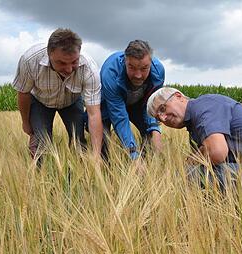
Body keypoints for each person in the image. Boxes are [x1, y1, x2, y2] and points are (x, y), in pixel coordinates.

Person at [147, 87, 242, 192]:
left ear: (178, 96)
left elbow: (216, 152)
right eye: (159, 119)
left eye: (163, 109)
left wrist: (187, 166)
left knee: (190, 176)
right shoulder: (194, 123)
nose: (164, 118)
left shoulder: (204, 106)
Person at [13, 28, 103, 163]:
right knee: (41, 144)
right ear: (49, 54)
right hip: (40, 102)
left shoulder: (89, 69)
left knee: (79, 140)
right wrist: (26, 123)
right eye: (61, 63)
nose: (68, 69)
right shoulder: (30, 60)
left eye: (74, 62)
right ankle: (40, 178)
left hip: (72, 101)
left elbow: (94, 113)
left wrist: (96, 155)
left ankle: (78, 173)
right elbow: (23, 93)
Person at [99, 40, 165, 160]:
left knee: (149, 136)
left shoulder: (158, 72)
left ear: (150, 63)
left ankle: (146, 166)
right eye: (132, 67)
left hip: (138, 105)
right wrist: (133, 152)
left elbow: (151, 104)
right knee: (103, 141)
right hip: (108, 106)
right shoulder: (110, 73)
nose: (138, 75)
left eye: (144, 68)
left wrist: (155, 129)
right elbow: (119, 116)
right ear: (125, 61)